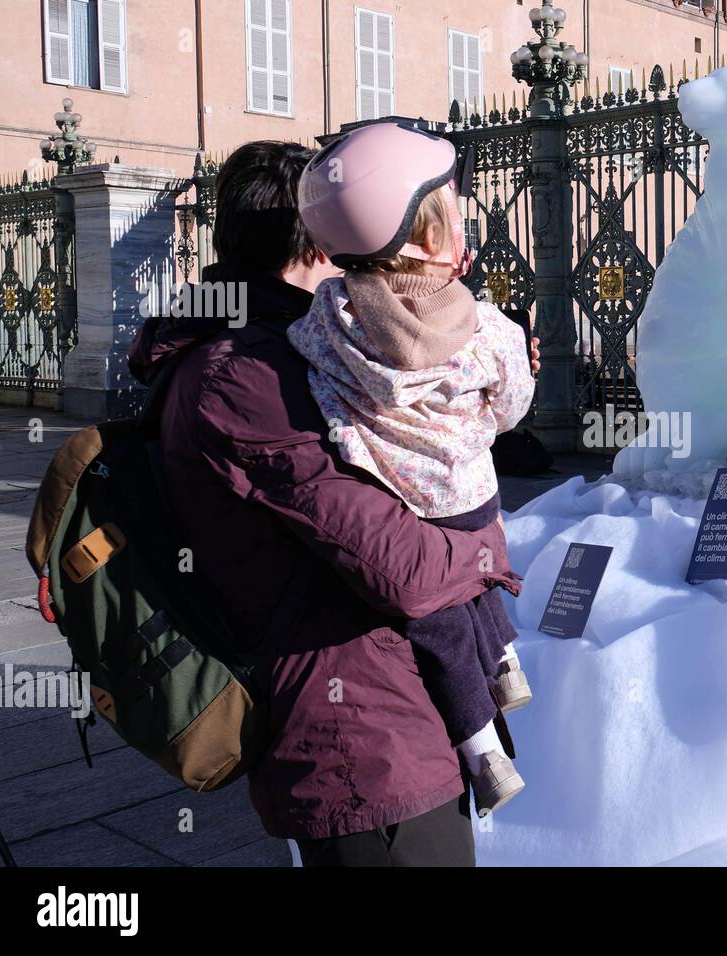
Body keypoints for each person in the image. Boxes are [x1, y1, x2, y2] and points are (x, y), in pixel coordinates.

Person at [126, 140, 533, 867]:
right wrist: (488, 544)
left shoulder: (266, 351)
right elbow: (403, 567)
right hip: (363, 744)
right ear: (314, 242)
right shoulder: (248, 375)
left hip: (371, 716)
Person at [287, 122, 536, 816]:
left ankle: (483, 755)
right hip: (472, 496)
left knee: (437, 621)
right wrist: (483, 422)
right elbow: (513, 408)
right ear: (433, 241)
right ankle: (507, 661)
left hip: (400, 504)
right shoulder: (487, 327)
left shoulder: (324, 325)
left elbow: (314, 379)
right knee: (485, 567)